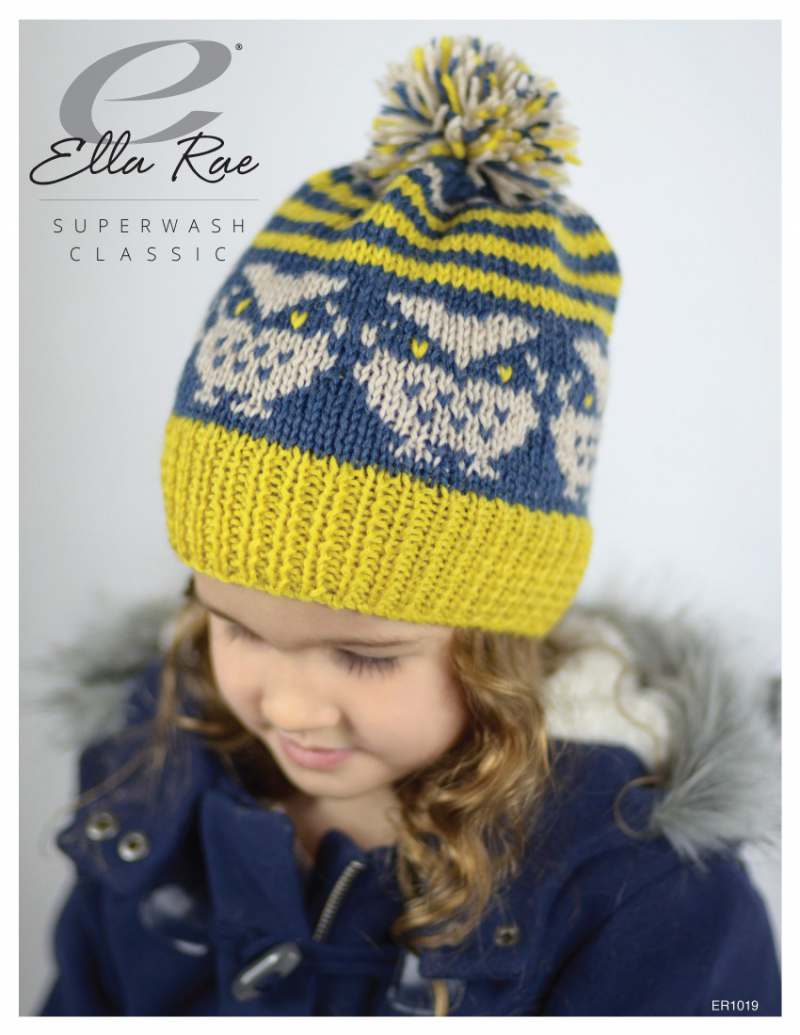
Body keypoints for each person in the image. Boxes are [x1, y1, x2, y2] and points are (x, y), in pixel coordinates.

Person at [37, 34, 781, 1016]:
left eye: (363, 654)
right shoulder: (151, 790)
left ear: (497, 636)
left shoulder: (639, 893)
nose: (290, 706)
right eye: (236, 626)